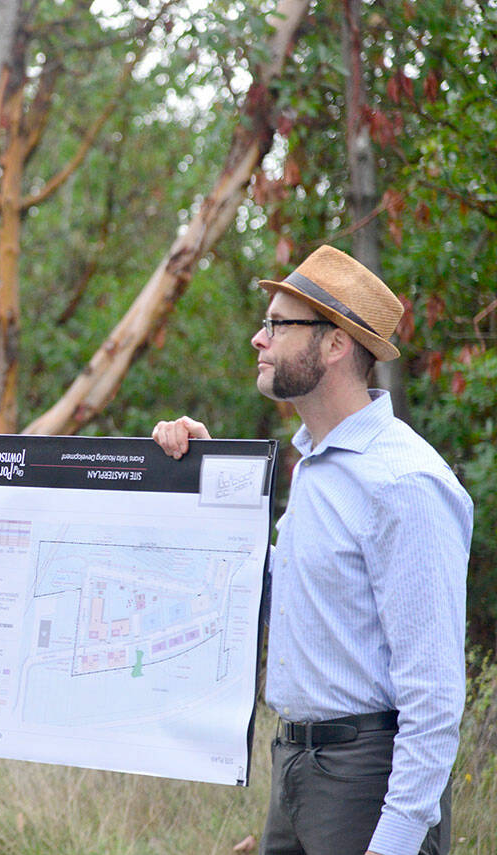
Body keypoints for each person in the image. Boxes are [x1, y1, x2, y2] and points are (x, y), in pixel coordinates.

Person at [151, 245, 472, 855]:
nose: (257, 338)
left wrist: (398, 840)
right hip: (295, 765)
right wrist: (201, 475)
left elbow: (434, 697)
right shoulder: (316, 467)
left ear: (335, 345)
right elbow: (283, 597)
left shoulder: (406, 484)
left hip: (366, 778)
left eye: (277, 324)